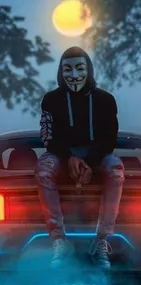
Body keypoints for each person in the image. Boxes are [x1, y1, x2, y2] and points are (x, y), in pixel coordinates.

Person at [35, 46, 125, 270]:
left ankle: (101, 240)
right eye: (68, 69)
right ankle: (59, 240)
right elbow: (48, 136)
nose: (74, 76)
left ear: (89, 70)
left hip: (98, 155)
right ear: (60, 72)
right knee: (43, 169)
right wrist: (69, 158)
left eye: (79, 68)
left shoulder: (106, 100)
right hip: (60, 155)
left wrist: (91, 162)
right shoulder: (50, 99)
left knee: (115, 168)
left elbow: (109, 138)